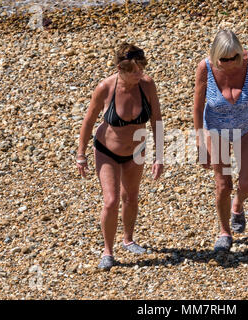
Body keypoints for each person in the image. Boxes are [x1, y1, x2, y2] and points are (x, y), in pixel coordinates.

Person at [76, 43, 164, 271]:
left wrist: (160, 155)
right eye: (133, 70)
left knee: (131, 197)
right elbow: (88, 120)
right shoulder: (105, 87)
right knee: (111, 200)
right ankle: (108, 251)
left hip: (136, 151)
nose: (139, 74)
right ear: (120, 69)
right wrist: (80, 155)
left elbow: (156, 119)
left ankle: (128, 239)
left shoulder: (147, 85)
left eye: (141, 68)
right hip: (108, 151)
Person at [193, 30, 248, 252]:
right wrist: (199, 143)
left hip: (246, 127)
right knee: (223, 184)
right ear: (215, 56)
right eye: (223, 60)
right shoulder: (205, 68)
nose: (229, 64)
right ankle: (224, 231)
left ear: (240, 53)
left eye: (234, 58)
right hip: (215, 128)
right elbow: (198, 107)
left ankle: (238, 204)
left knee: (247, 183)